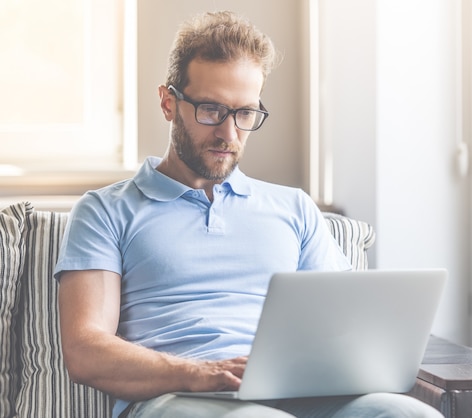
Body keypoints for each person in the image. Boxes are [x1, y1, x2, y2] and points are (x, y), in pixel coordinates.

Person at [54, 10, 443, 418]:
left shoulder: (293, 208)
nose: (229, 133)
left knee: (411, 414)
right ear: (169, 103)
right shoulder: (105, 211)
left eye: (245, 114)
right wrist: (200, 372)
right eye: (210, 110)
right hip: (178, 398)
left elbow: (353, 328)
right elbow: (85, 351)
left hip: (299, 396)